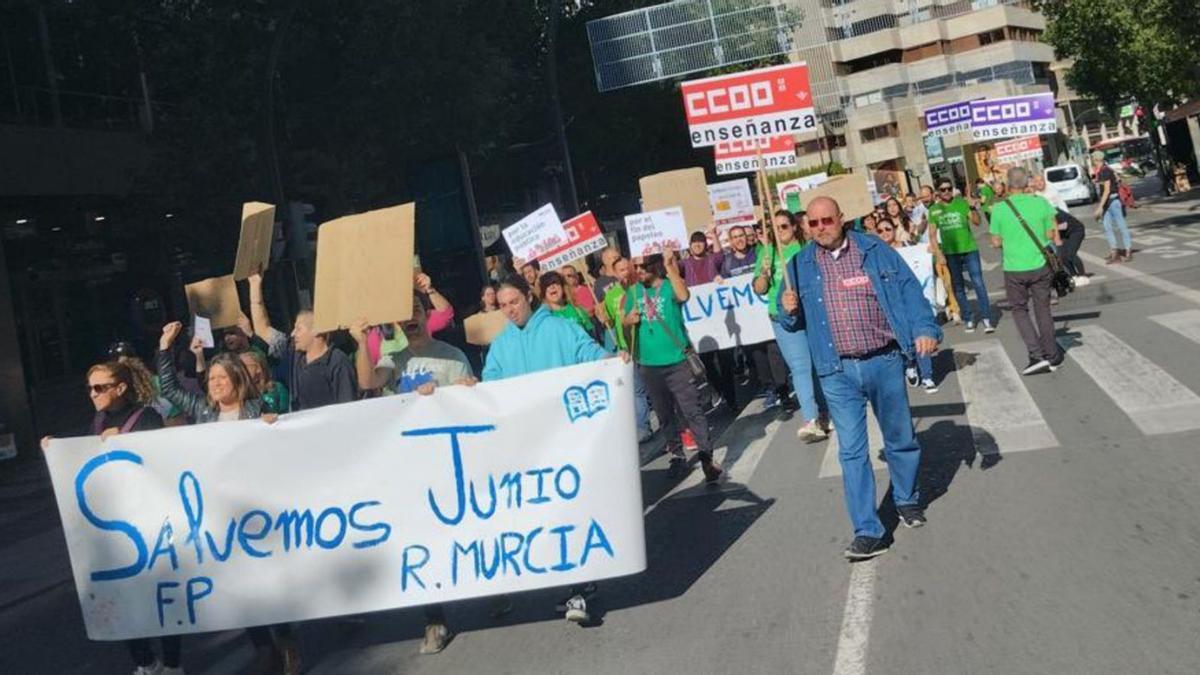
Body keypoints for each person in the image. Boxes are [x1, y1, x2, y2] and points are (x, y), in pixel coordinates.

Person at [779, 196, 942, 560]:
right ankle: (868, 530)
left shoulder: (874, 250)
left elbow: (908, 291)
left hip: (883, 360)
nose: (821, 227)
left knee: (899, 437)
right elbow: (789, 318)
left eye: (827, 220)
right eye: (814, 222)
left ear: (841, 218)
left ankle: (907, 499)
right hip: (836, 370)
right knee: (851, 452)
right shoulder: (798, 265)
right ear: (807, 226)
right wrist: (786, 310)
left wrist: (925, 328)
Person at [157, 322, 297, 674]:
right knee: (241, 585)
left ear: (237, 380)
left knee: (267, 584)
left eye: (223, 378)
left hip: (259, 510)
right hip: (223, 514)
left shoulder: (256, 409)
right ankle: (264, 647)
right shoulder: (203, 411)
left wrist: (272, 425)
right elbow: (170, 388)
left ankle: (284, 637)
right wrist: (164, 347)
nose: (216, 384)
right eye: (212, 379)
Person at [481, 277, 622, 625]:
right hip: (526, 447)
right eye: (503, 305)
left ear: (529, 296)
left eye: (514, 301)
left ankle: (574, 589)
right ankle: (572, 582)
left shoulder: (561, 328)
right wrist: (474, 389)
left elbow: (589, 355)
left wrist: (611, 359)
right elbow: (490, 387)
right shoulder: (500, 346)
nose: (510, 310)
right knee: (545, 515)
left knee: (568, 511)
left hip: (566, 438)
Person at [349, 294, 474, 655]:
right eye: (403, 315)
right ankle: (434, 619)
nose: (411, 319)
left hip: (448, 462)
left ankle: (490, 586)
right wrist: (361, 341)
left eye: (416, 311)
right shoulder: (393, 357)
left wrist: (462, 391)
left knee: (462, 532)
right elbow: (368, 381)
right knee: (422, 540)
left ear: (426, 315)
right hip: (409, 465)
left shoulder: (452, 356)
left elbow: (472, 404)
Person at [42, 360, 181, 675]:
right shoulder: (97, 420)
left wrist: (126, 441)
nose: (92, 394)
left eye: (100, 387)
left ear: (120, 388)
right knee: (119, 598)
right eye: (90, 388)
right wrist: (56, 448)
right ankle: (146, 662)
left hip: (146, 524)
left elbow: (160, 459)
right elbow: (80, 457)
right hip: (112, 529)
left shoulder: (145, 417)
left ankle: (172, 664)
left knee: (161, 598)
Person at [624, 249, 724, 483]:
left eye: (643, 266)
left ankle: (706, 457)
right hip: (648, 364)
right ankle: (676, 455)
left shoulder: (669, 285)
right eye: (635, 267)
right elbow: (623, 318)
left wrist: (670, 265)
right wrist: (630, 319)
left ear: (655, 265)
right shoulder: (633, 291)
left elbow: (684, 295)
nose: (639, 272)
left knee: (692, 411)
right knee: (664, 414)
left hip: (677, 361)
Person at [753, 210, 828, 438]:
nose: (780, 231)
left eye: (784, 226)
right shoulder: (767, 252)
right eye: (775, 228)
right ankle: (811, 418)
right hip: (782, 317)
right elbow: (760, 289)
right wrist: (764, 274)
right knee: (800, 367)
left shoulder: (807, 250)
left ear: (794, 227)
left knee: (818, 364)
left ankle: (825, 412)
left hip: (811, 314)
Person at [989, 167, 1064, 375]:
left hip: (1014, 268)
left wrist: (1008, 240)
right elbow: (1050, 233)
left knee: (1020, 310)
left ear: (1007, 184)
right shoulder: (1041, 203)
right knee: (1043, 309)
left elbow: (995, 242)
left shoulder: (999, 208)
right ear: (1026, 183)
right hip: (1040, 264)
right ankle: (1052, 354)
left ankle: (1036, 354)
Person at [247, 273, 357, 411]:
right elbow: (263, 329)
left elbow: (349, 406)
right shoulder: (294, 354)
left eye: (298, 329)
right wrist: (254, 285)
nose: (293, 334)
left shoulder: (338, 362)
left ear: (317, 330)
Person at [877, 219, 938, 394]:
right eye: (880, 231)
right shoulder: (876, 255)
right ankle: (910, 364)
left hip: (913, 297)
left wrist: (929, 252)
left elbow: (925, 260)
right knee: (901, 337)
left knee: (920, 333)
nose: (885, 233)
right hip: (892, 303)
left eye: (888, 229)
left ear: (895, 229)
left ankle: (927, 376)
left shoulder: (909, 246)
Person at [597, 256, 654, 441]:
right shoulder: (611, 295)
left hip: (645, 344)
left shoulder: (640, 288)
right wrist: (603, 317)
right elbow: (610, 322)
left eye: (627, 268)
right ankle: (643, 427)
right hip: (625, 347)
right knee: (637, 390)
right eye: (620, 270)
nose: (625, 272)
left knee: (653, 388)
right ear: (614, 274)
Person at [928, 179, 993, 333]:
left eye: (949, 189)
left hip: (969, 249)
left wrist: (972, 207)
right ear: (937, 191)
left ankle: (986, 318)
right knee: (958, 286)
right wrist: (939, 255)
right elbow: (931, 235)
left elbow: (976, 222)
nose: (946, 192)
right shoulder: (934, 210)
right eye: (942, 189)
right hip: (951, 253)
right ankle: (968, 318)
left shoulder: (961, 203)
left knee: (978, 283)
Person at [680, 230, 734, 410]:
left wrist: (714, 235)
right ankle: (719, 390)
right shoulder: (684, 264)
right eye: (694, 242)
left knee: (725, 359)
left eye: (701, 242)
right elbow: (670, 269)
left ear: (705, 244)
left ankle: (732, 398)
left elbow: (719, 255)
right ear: (689, 246)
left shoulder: (713, 260)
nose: (697, 245)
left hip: (718, 317)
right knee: (707, 362)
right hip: (699, 322)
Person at [1033, 175, 1088, 284]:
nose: (1039, 183)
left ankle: (1082, 276)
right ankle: (1073, 276)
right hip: (1060, 230)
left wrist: (1055, 227)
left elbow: (1063, 217)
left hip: (1073, 229)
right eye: (1037, 181)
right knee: (1063, 256)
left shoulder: (1052, 196)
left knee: (1071, 254)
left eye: (1041, 181)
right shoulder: (1036, 197)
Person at [1092, 150, 1133, 263]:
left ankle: (1128, 251)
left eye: (1093, 159)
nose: (1093, 161)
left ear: (1096, 159)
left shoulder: (1105, 171)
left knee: (1120, 226)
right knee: (1107, 227)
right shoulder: (1104, 170)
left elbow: (1107, 190)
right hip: (1109, 202)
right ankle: (1114, 252)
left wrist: (1100, 207)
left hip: (1112, 202)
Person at [540, 271, 595, 337]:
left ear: (563, 288)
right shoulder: (545, 319)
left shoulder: (577, 310)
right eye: (547, 285)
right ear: (544, 293)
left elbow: (591, 336)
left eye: (556, 283)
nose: (552, 287)